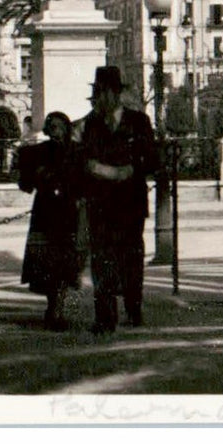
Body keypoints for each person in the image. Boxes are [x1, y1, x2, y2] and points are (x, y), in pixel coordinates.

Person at [77, 66, 159, 334]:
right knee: (101, 260)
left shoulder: (139, 122)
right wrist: (98, 170)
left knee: (131, 258)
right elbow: (83, 160)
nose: (96, 99)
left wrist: (131, 169)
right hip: (100, 204)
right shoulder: (90, 124)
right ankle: (105, 317)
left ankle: (134, 308)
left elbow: (152, 158)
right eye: (95, 94)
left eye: (100, 93)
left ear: (115, 94)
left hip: (130, 203)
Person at [18, 111, 84, 330]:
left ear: (66, 128)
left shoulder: (76, 152)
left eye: (59, 126)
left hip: (68, 213)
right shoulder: (40, 152)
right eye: (51, 126)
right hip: (45, 213)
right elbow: (25, 183)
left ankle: (57, 308)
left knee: (64, 264)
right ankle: (53, 307)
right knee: (47, 264)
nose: (55, 131)